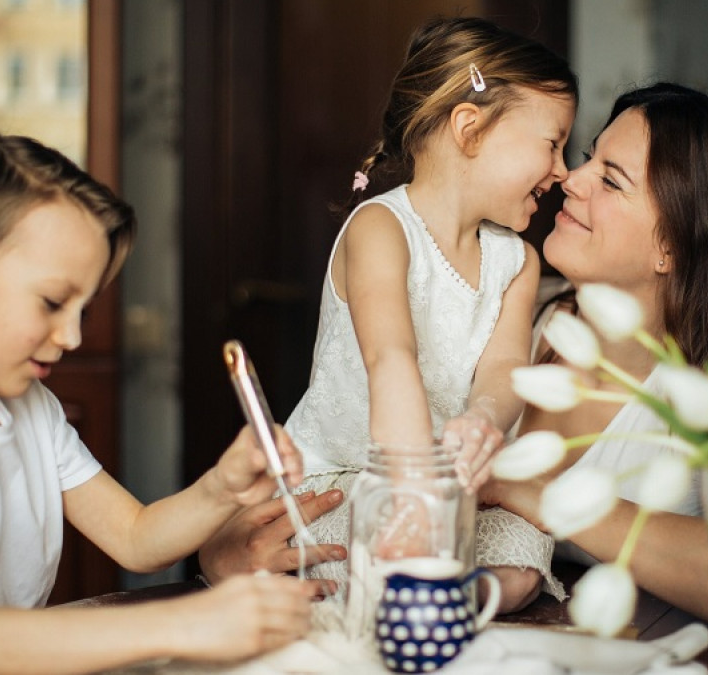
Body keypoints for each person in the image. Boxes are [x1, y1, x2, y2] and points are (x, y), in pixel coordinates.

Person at [0, 130, 317, 675]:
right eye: (53, 302)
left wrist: (221, 488)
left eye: (82, 311)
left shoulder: (29, 406)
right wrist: (191, 622)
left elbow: (134, 537)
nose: (72, 336)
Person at [480, 82, 708, 628]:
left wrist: (550, 497)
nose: (571, 176)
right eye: (590, 157)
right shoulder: (513, 311)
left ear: (672, 248)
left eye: (611, 179)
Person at [278, 16, 577, 613]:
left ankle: (440, 599)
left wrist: (485, 420)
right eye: (553, 144)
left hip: (447, 491)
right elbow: (391, 360)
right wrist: (413, 497)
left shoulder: (517, 260)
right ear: (470, 128)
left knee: (523, 559)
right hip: (345, 480)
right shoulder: (381, 229)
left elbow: (504, 370)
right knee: (370, 555)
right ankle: (411, 592)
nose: (563, 171)